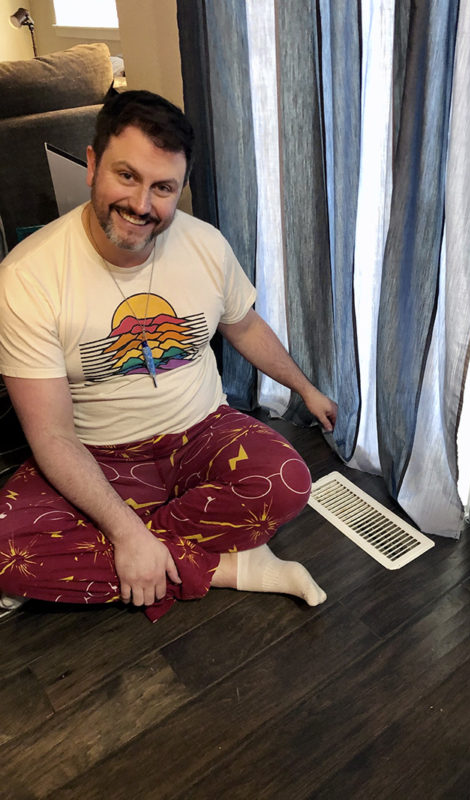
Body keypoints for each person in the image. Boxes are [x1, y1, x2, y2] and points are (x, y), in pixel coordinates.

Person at [0, 90, 336, 621]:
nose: (141, 205)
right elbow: (53, 437)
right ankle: (232, 567)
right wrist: (126, 533)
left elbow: (244, 325)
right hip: (101, 455)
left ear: (180, 189)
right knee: (4, 550)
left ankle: (132, 559)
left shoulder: (206, 245)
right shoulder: (27, 277)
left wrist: (305, 388)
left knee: (290, 481)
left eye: (163, 188)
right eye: (126, 176)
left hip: (204, 431)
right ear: (92, 165)